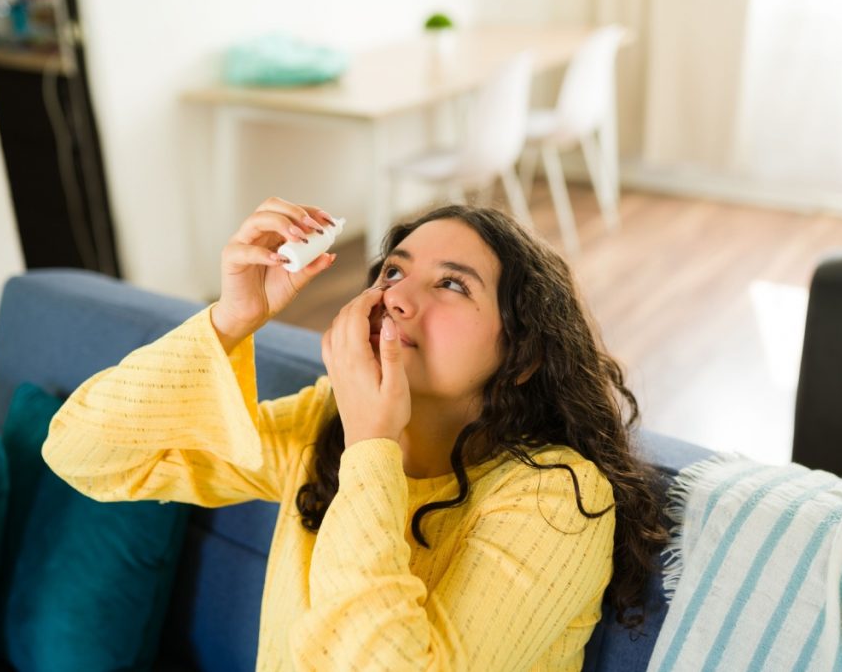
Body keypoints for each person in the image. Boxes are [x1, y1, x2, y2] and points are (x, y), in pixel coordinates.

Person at [43, 197, 668, 670]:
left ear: (523, 353)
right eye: (393, 272)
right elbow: (85, 454)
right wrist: (231, 320)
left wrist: (373, 445)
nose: (397, 298)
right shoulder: (323, 424)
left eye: (452, 283)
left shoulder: (557, 496)